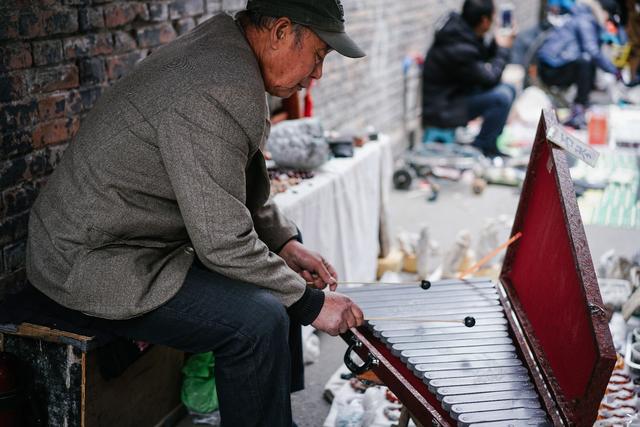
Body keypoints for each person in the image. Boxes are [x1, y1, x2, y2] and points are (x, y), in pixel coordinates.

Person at [22, 0, 365, 425]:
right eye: (318, 55)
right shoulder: (218, 87)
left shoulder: (228, 49)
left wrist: (285, 244)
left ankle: (274, 414)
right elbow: (222, 242)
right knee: (259, 320)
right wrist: (313, 305)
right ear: (279, 31)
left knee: (282, 285)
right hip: (89, 259)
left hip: (133, 240)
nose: (318, 74)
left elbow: (235, 187)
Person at [421, 0, 516, 158]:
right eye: (493, 18)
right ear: (485, 21)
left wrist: (496, 44)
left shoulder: (461, 32)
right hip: (444, 109)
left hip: (456, 97)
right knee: (501, 97)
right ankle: (482, 148)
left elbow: (481, 62)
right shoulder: (458, 44)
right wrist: (503, 49)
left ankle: (489, 145)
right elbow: (489, 79)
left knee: (508, 89)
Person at [538, 0, 622, 128]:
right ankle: (579, 109)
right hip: (553, 69)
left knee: (586, 60)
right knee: (586, 60)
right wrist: (614, 71)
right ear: (603, 12)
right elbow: (592, 51)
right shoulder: (586, 19)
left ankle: (579, 107)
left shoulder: (578, 15)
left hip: (549, 67)